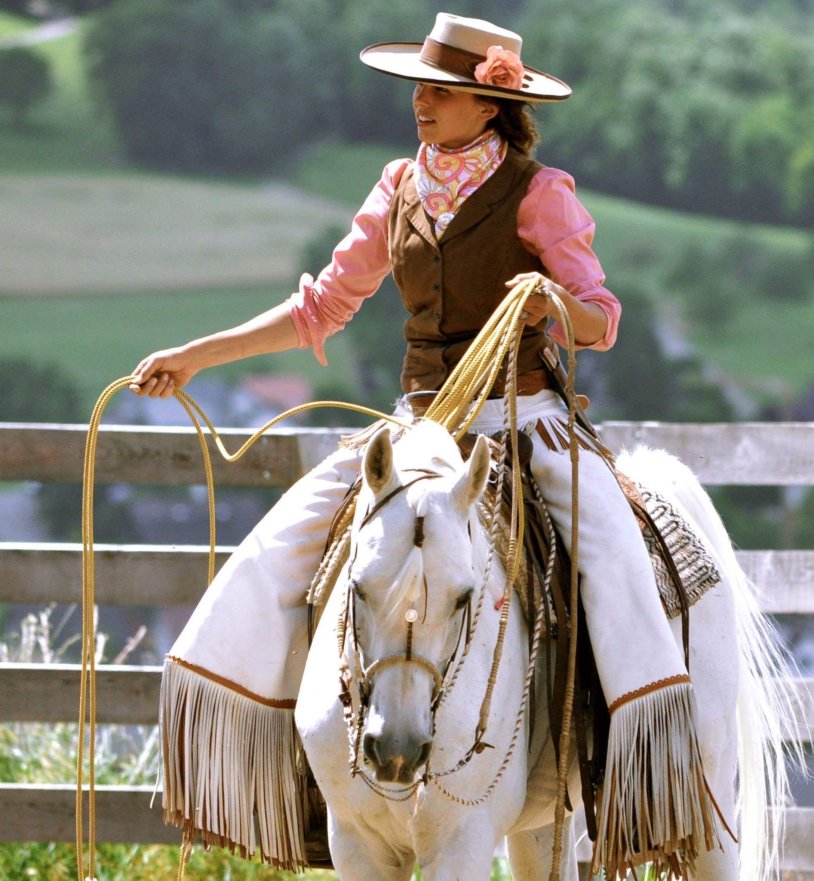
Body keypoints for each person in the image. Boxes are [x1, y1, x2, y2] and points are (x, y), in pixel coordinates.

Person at [130, 12, 719, 876]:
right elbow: (320, 307)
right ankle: (288, 760)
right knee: (286, 549)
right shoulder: (398, 186)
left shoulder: (539, 191)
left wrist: (552, 302)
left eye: (442, 90)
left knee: (615, 559)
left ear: (489, 106)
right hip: (418, 430)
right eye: (420, 86)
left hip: (521, 425)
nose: (422, 102)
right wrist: (194, 355)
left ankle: (637, 767)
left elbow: (603, 321)